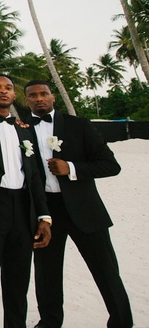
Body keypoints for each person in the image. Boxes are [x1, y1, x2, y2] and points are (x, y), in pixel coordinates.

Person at [24, 80, 133, 328]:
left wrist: (71, 168)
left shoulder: (79, 125)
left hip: (84, 209)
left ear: (53, 97)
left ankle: (122, 322)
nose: (39, 98)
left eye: (43, 94)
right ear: (26, 100)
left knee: (106, 271)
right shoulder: (20, 129)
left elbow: (110, 165)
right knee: (46, 274)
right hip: (44, 212)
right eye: (32, 95)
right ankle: (50, 322)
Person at [0, 74, 52, 328]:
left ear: (15, 96)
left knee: (18, 284)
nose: (3, 91)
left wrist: (43, 216)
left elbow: (35, 175)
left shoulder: (22, 128)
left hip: (22, 208)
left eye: (8, 88)